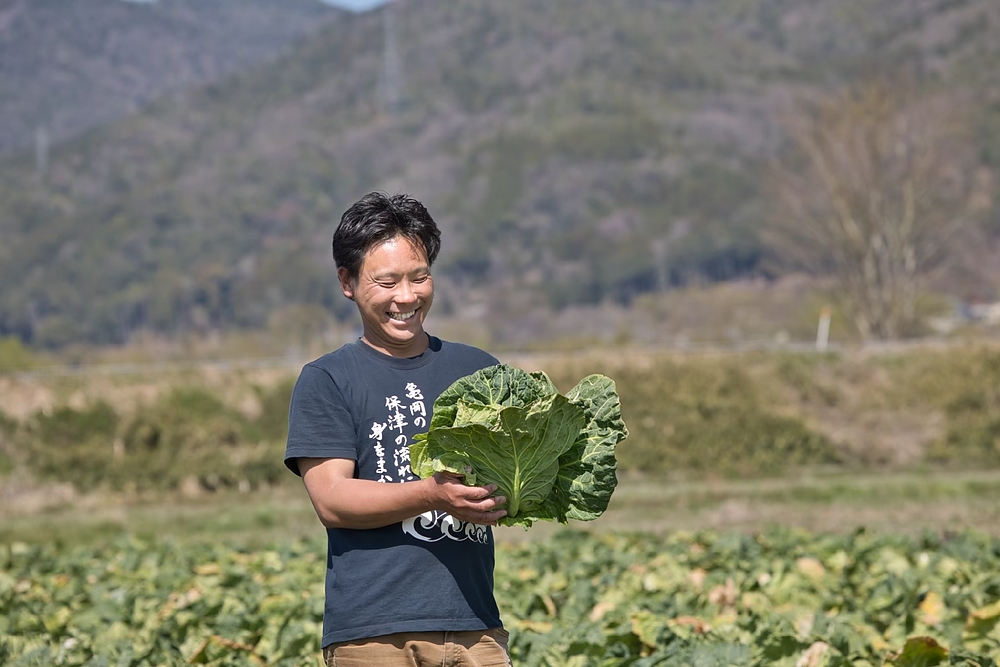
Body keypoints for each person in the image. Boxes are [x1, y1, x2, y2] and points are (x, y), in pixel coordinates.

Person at [284, 191, 512, 667]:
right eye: (386, 282)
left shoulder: (480, 370)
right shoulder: (328, 379)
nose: (406, 297)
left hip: (476, 627)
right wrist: (431, 494)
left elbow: (513, 477)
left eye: (420, 277)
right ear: (347, 282)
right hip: (373, 636)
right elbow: (332, 500)